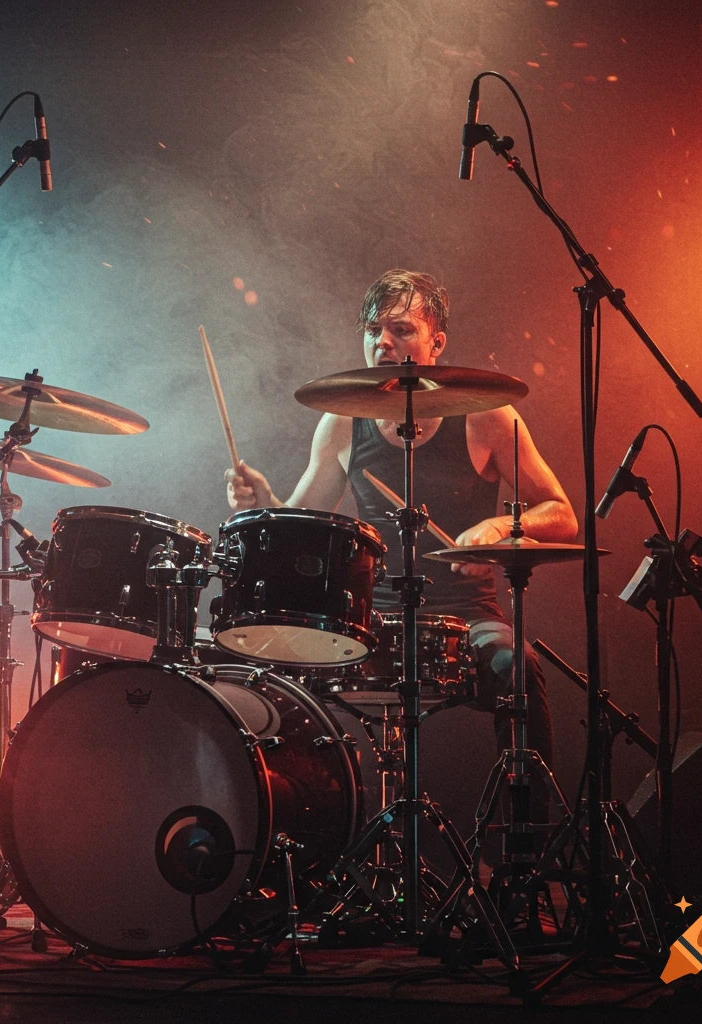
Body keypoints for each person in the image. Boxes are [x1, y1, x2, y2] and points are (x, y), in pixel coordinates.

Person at [225, 269, 578, 826]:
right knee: (273, 676)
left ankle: (527, 841)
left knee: (519, 668)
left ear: (437, 342)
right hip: (373, 622)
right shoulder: (343, 422)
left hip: (466, 618)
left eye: (401, 330)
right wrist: (264, 501)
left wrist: (500, 528)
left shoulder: (486, 416)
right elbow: (299, 527)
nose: (383, 342)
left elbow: (561, 513)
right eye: (373, 331)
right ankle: (301, 837)